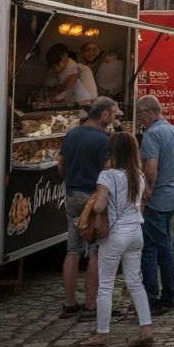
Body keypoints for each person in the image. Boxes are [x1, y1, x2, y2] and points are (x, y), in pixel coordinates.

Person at [79, 130, 154, 347]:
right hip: (135, 233)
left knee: (106, 285)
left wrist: (91, 207)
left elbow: (101, 205)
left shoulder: (108, 175)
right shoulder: (138, 175)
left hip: (115, 235)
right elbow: (141, 203)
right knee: (135, 282)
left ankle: (101, 334)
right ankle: (145, 328)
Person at [57, 96, 115, 319]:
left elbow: (61, 163)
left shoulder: (72, 134)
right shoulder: (103, 139)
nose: (113, 120)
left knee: (72, 250)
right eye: (112, 115)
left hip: (72, 195)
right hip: (93, 199)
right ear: (104, 115)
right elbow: (108, 170)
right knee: (95, 251)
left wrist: (68, 179)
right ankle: (91, 304)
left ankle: (69, 303)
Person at [137, 94, 174, 313]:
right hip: (172, 195)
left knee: (151, 249)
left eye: (140, 114)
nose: (139, 119)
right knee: (165, 247)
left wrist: (145, 194)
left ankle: (154, 297)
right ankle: (167, 295)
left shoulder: (152, 135)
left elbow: (151, 169)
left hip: (157, 199)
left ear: (149, 112)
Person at [44, 43, 98, 108]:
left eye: (57, 63)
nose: (56, 67)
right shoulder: (63, 71)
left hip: (86, 105)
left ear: (65, 56)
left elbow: (71, 82)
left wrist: (55, 94)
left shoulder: (78, 68)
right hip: (77, 105)